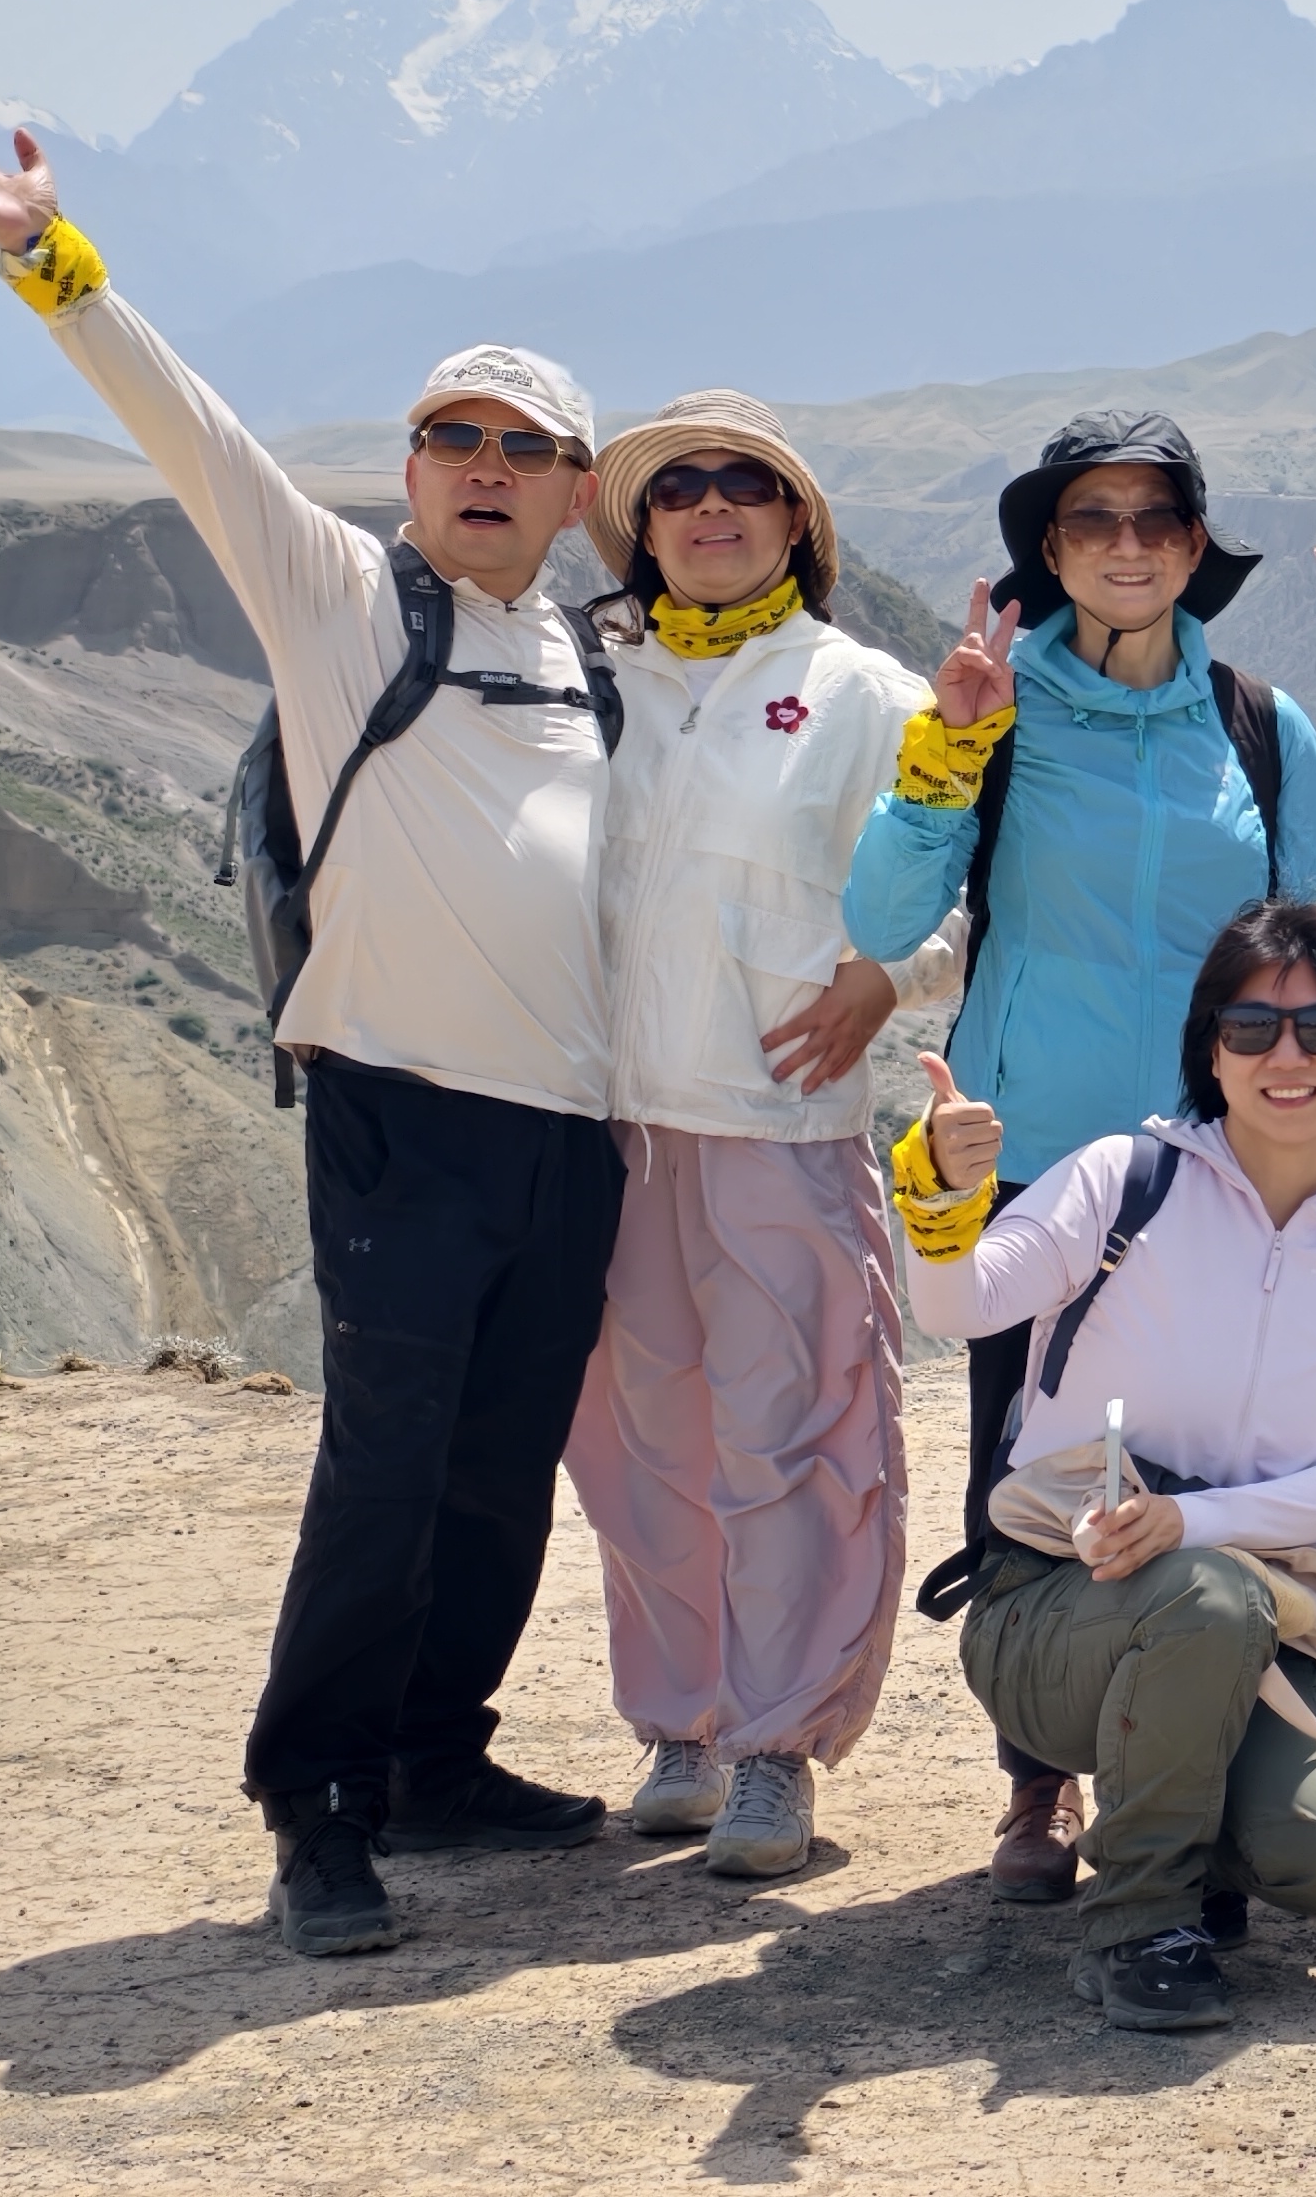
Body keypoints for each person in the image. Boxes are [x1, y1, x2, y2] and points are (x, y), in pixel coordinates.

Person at [0, 120, 622, 1959]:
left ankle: (437, 1756)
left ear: (574, 492)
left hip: (572, 1134)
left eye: (523, 448)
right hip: (399, 1117)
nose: (485, 468)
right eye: (454, 438)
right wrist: (52, 258)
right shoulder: (343, 603)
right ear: (410, 469)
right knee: (384, 1467)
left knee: (502, 1461)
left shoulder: (599, 663)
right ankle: (320, 1804)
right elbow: (195, 435)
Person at [844, 408, 1316, 1900]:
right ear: (1051, 554)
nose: (1127, 546)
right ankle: (1039, 1777)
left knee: (1221, 1453)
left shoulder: (1260, 726)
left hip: (1226, 1165)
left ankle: (1206, 1750)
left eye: (1155, 520)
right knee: (1028, 1460)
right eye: (1093, 521)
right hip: (1038, 1162)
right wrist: (946, 749)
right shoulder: (995, 718)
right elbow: (881, 921)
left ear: (1194, 550)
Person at [899, 898, 1316, 2032]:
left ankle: (1185, 1835)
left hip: (1255, 1623)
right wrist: (941, 1196)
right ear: (1211, 1050)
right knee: (1207, 1596)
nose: (1287, 1056)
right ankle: (1139, 1925)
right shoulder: (1123, 1179)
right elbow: (957, 1304)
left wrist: (1187, 1524)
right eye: (1251, 1028)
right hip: (1054, 1606)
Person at [560, 392, 933, 1880]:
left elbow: (956, 883)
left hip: (779, 1122)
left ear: (796, 522)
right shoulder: (594, 682)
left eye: (744, 483)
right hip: (611, 1126)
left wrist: (889, 979)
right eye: (678, 488)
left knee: (796, 1436)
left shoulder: (861, 692)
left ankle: (779, 1748)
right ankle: (684, 1724)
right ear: (641, 529)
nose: (710, 507)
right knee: (643, 1444)